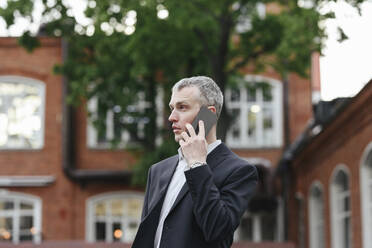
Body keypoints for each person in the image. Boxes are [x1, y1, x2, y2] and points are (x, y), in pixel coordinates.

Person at [132, 76, 258, 248]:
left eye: (182, 107)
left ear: (209, 114)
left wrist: (198, 165)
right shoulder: (158, 170)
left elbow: (217, 231)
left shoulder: (239, 171)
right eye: (171, 108)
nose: (171, 117)